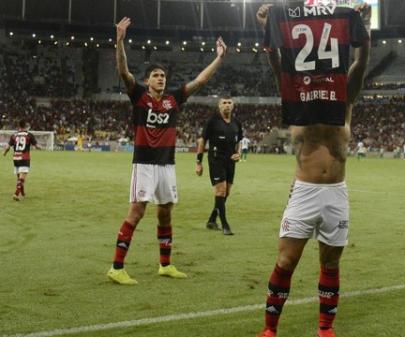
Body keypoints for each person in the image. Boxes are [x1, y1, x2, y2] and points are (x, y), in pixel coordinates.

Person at [256, 2, 371, 337]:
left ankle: (325, 328)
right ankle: (269, 330)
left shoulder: (345, 100)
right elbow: (278, 64)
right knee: (285, 262)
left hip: (336, 192)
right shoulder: (294, 95)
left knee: (331, 263)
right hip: (305, 191)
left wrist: (364, 29)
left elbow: (361, 62)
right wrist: (269, 30)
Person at [106, 17, 227, 285]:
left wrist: (219, 57)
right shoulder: (138, 95)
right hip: (144, 164)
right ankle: (116, 267)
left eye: (163, 75)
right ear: (147, 80)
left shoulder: (174, 98)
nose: (161, 78)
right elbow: (124, 71)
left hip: (167, 165)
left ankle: (165, 264)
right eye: (156, 75)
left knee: (165, 212)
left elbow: (200, 81)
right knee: (136, 212)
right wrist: (120, 41)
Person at [195, 96, 242, 235]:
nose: (227, 105)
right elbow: (202, 141)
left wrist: (238, 153)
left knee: (226, 192)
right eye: (224, 103)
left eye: (229, 103)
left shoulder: (236, 123)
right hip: (216, 160)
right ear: (219, 106)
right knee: (220, 191)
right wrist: (199, 162)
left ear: (232, 106)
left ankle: (212, 220)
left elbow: (239, 141)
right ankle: (225, 224)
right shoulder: (213, 121)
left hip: (230, 161)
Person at [2, 120, 41, 201]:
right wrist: (40, 147)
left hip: (16, 158)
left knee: (19, 178)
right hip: (24, 158)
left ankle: (22, 193)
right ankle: (16, 194)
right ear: (26, 126)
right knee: (21, 178)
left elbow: (8, 147)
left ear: (18, 126)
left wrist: (4, 153)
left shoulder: (14, 135)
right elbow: (37, 146)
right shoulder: (29, 135)